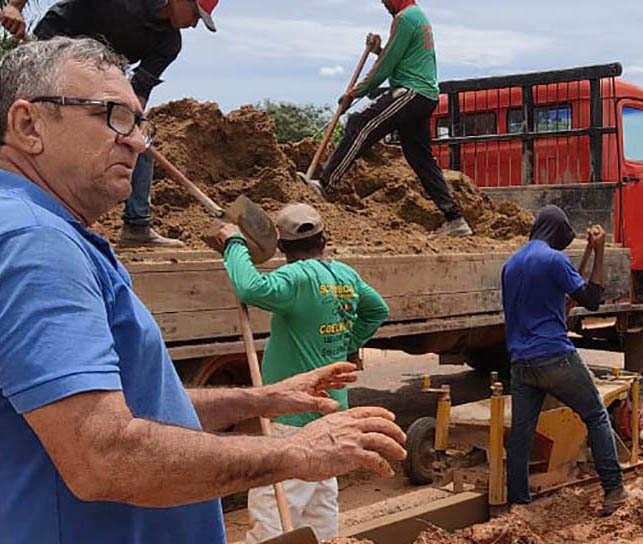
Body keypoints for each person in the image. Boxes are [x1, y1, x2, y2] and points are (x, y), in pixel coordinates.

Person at [0, 38, 406, 544]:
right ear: (28, 125)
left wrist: (262, 399)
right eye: (114, 117)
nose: (137, 142)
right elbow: (103, 455)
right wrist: (297, 452)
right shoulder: (36, 243)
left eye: (140, 124)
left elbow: (139, 408)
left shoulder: (46, 231)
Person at [212, 203, 390, 543]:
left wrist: (234, 244)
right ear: (324, 240)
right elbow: (377, 310)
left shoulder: (297, 277)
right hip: (332, 414)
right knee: (320, 502)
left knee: (274, 506)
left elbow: (250, 289)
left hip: (292, 416)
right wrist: (345, 343)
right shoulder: (345, 276)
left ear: (281, 247)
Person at [1, 0, 220, 248]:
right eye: (195, 14)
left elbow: (139, 89)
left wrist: (131, 123)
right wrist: (15, 6)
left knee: (139, 144)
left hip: (101, 78)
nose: (194, 24)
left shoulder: (169, 43)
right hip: (54, 51)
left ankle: (137, 226)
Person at [500, 205, 627, 516]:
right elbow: (592, 300)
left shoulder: (510, 264)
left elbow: (555, 302)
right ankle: (614, 490)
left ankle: (518, 505)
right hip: (554, 355)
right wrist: (599, 252)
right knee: (595, 415)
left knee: (521, 435)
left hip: (520, 361)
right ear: (557, 234)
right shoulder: (554, 260)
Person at [306, 0, 471, 239]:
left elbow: (385, 66)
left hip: (411, 91)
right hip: (423, 94)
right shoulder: (416, 16)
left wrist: (354, 93)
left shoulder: (404, 19)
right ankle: (455, 220)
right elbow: (398, 57)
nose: (384, 3)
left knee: (359, 123)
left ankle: (324, 184)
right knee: (420, 159)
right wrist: (378, 50)